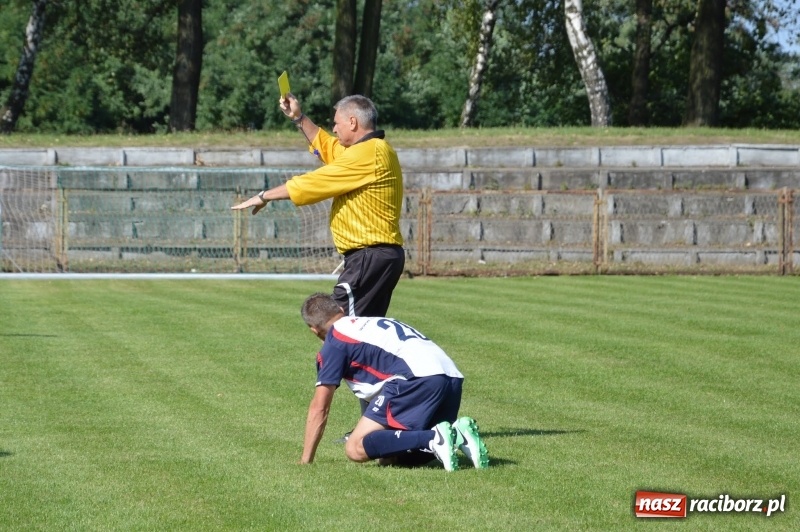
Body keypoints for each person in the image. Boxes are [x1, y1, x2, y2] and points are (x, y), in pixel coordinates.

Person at [231, 93, 405, 318]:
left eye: (336, 123)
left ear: (352, 122)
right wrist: (298, 117)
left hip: (369, 257)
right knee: (363, 334)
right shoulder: (371, 150)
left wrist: (265, 196)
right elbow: (327, 146)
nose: (333, 128)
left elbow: (314, 183)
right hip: (376, 257)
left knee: (337, 326)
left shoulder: (369, 153)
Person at [297, 292, 489, 471]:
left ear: (314, 330)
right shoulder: (373, 321)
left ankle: (434, 437)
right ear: (341, 310)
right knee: (391, 457)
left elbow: (319, 408)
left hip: (415, 379)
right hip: (451, 377)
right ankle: (458, 434)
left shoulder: (335, 343)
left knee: (355, 448)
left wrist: (306, 461)